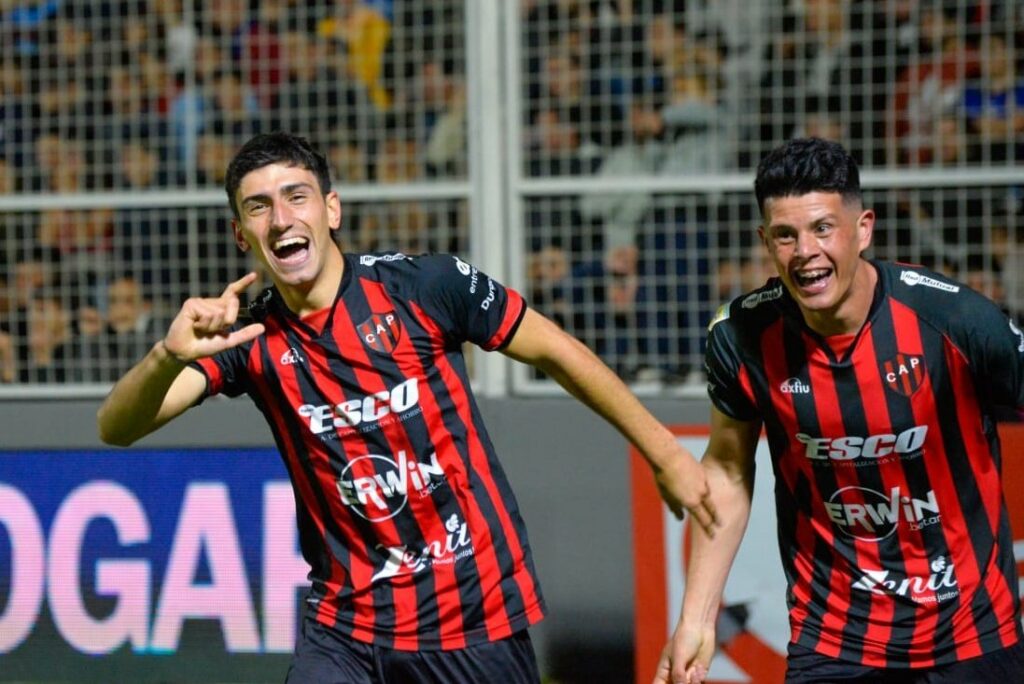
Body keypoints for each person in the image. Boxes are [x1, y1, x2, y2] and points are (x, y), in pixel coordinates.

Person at [97, 131, 717, 683]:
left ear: (331, 209)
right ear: (241, 234)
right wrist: (165, 355)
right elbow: (118, 427)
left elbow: (557, 350)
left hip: (470, 612)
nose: (281, 219)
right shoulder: (249, 337)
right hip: (344, 626)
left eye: (296, 197)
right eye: (258, 207)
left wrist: (664, 452)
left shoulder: (424, 287)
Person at [655, 137, 1024, 684]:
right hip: (833, 638)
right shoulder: (742, 337)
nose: (805, 251)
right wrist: (695, 619)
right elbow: (728, 471)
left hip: (970, 633)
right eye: (786, 235)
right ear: (765, 241)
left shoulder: (956, 321)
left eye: (823, 228)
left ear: (864, 228)